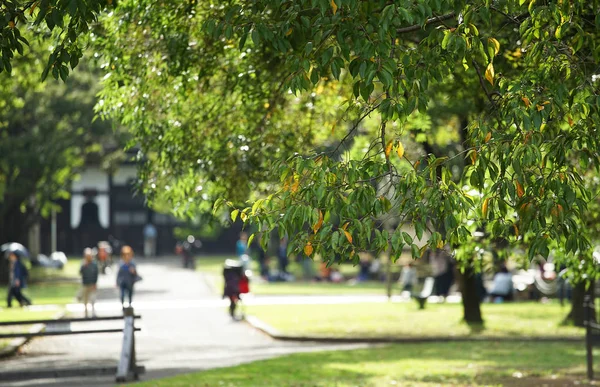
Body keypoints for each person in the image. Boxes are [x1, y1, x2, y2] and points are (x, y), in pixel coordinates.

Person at [79, 248, 99, 318]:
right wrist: (84, 266)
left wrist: (95, 283)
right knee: (85, 300)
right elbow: (80, 272)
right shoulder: (83, 263)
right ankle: (86, 314)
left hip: (92, 284)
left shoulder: (94, 264)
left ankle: (93, 313)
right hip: (85, 284)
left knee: (93, 299)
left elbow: (96, 274)